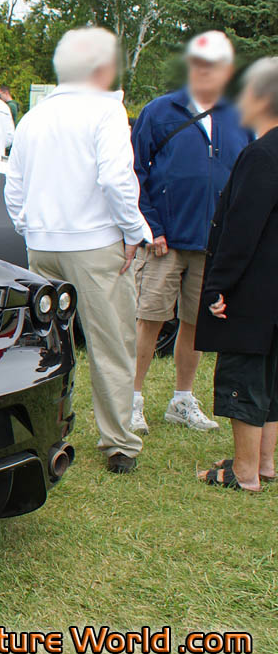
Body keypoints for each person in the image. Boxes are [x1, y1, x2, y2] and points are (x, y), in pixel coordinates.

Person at [4, 27, 153, 474]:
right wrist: (133, 230)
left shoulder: (34, 117)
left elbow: (14, 185)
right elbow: (116, 178)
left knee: (49, 344)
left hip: (42, 243)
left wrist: (30, 228)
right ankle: (119, 443)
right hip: (93, 242)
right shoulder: (105, 110)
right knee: (111, 344)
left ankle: (48, 429)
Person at [131, 30, 251, 434]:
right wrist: (151, 226)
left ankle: (182, 400)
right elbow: (135, 172)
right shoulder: (159, 111)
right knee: (150, 319)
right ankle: (132, 399)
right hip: (164, 242)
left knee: (197, 323)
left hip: (211, 242)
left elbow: (247, 176)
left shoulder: (238, 117)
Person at [194, 57, 278, 492]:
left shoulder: (261, 154)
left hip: (255, 288)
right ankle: (264, 462)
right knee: (271, 376)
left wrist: (218, 285)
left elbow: (242, 229)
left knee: (244, 374)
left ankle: (243, 472)